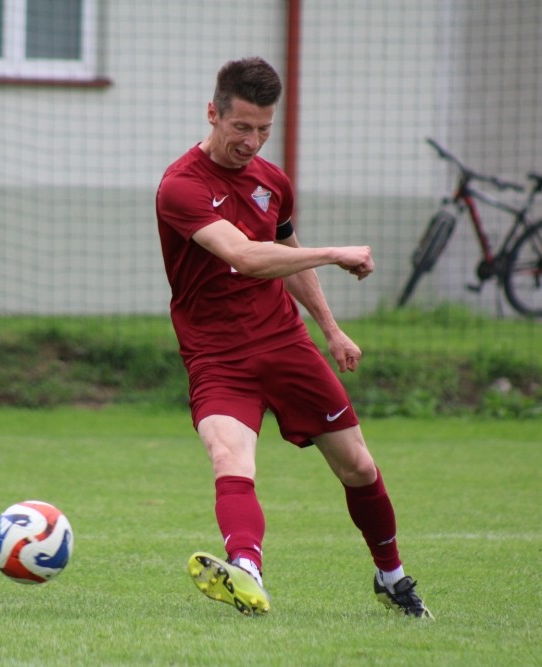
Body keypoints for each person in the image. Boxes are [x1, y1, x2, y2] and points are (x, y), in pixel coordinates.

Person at [155, 57, 432, 618]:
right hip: (217, 354)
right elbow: (246, 257)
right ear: (213, 113)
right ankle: (246, 569)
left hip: (285, 343)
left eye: (263, 129)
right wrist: (334, 253)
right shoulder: (181, 186)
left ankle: (392, 577)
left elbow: (287, 256)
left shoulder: (272, 181)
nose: (251, 141)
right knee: (229, 456)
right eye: (241, 127)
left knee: (358, 467)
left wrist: (331, 329)